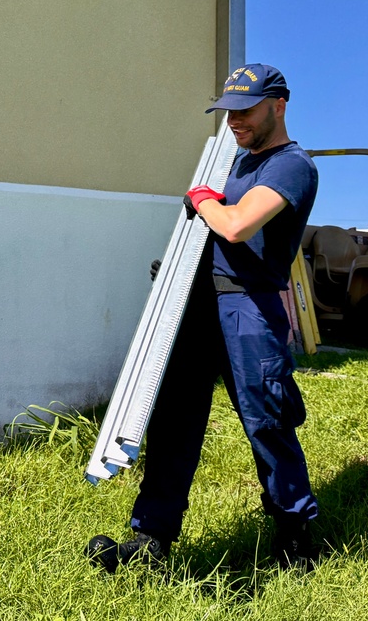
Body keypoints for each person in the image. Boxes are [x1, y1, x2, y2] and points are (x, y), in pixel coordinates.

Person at [87, 64, 320, 572]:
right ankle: (152, 540)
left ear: (278, 105)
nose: (235, 121)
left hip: (249, 309)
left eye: (246, 110)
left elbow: (236, 225)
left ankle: (294, 537)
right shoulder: (232, 162)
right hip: (199, 305)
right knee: (173, 419)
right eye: (228, 112)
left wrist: (202, 200)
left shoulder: (291, 165)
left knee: (266, 420)